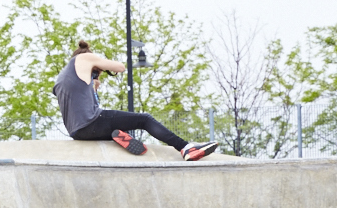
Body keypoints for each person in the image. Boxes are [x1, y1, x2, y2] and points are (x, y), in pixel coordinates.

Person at [53, 41, 219, 160]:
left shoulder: (61, 80)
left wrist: (93, 85)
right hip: (92, 122)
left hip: (78, 132)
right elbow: (120, 67)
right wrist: (103, 65)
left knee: (111, 123)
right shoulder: (84, 58)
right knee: (144, 119)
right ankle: (185, 147)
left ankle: (115, 136)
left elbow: (79, 104)